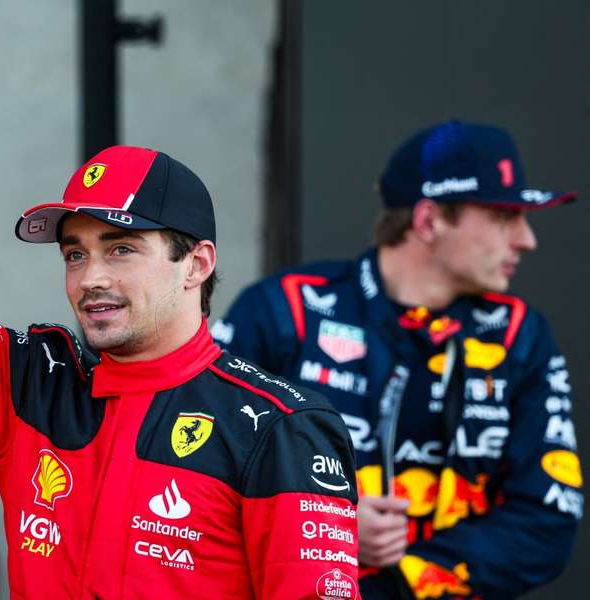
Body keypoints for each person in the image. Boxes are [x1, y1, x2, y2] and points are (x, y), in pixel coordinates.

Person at [0, 9, 359, 599]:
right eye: (75, 254)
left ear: (196, 264)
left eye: (121, 250)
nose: (90, 277)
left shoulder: (280, 428)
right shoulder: (33, 383)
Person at [214, 119, 583, 599]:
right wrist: (328, 527)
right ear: (430, 220)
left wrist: (398, 581)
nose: (526, 239)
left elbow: (547, 518)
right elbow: (196, 474)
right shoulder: (284, 312)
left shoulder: (519, 337)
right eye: (503, 217)